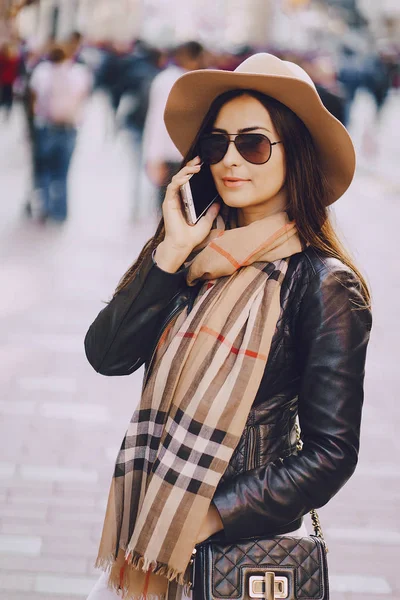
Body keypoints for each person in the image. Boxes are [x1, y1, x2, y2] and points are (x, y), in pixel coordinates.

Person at [84, 53, 372, 599]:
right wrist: (169, 253)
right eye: (216, 144)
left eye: (254, 144)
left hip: (234, 550)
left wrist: (211, 515)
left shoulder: (320, 283)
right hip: (148, 536)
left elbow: (332, 452)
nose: (230, 160)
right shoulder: (191, 257)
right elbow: (107, 354)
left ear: (296, 153)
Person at [29, 45, 92, 222]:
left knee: (45, 170)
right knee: (63, 172)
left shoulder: (42, 72)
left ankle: (44, 208)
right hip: (69, 127)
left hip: (47, 127)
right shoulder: (79, 72)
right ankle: (61, 212)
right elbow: (84, 96)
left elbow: (33, 98)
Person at [142, 41, 205, 210]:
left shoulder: (192, 80)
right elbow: (157, 119)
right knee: (169, 206)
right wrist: (155, 156)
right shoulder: (169, 81)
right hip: (171, 156)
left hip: (186, 155)